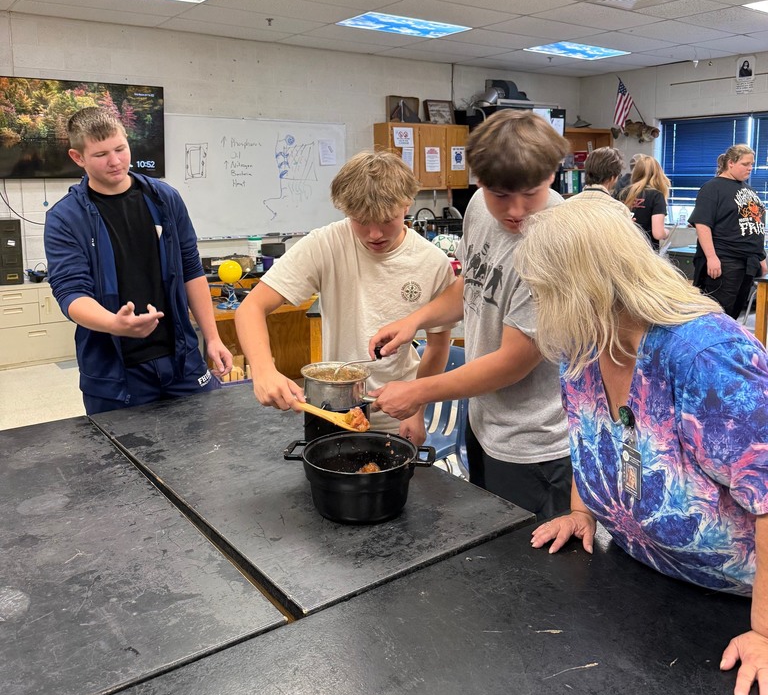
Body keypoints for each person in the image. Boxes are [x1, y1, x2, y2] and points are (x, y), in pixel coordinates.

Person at [513, 196, 768, 695]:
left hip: (739, 608)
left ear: (582, 290)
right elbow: (590, 432)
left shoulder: (706, 357)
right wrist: (582, 512)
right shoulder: (586, 345)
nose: (539, 308)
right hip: (655, 587)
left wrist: (764, 632)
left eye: (544, 293)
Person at [367, 110, 572, 520]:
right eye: (500, 194)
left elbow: (513, 362)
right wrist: (416, 320)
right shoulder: (480, 207)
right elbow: (473, 284)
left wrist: (418, 392)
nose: (515, 211)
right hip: (483, 423)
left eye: (530, 194)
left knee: (533, 571)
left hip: (534, 443)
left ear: (552, 175)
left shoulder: (555, 244)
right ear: (479, 182)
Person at [234, 151, 456, 444]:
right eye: (361, 221)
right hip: (332, 412)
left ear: (407, 203)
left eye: (386, 220)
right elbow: (250, 308)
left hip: (397, 415)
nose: (374, 233)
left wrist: (417, 408)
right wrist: (263, 371)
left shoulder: (432, 263)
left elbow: (438, 345)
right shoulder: (325, 244)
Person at [44, 107, 232, 414]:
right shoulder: (65, 218)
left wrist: (212, 338)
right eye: (101, 154)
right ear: (78, 158)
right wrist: (114, 324)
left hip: (181, 361)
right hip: (115, 376)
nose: (116, 161)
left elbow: (191, 269)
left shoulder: (165, 198)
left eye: (120, 149)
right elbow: (70, 293)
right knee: (124, 460)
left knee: (206, 445)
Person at [689, 144, 766, 319]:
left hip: (748, 262)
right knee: (718, 316)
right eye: (745, 164)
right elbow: (702, 224)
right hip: (725, 261)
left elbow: (755, 223)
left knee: (733, 315)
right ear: (730, 163)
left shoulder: (748, 189)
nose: (750, 168)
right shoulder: (712, 188)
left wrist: (760, 257)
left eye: (752, 164)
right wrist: (711, 257)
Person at [616, 154, 670, 250]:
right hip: (646, 252)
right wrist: (666, 232)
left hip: (625, 249)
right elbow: (657, 233)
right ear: (658, 174)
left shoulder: (623, 193)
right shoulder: (656, 196)